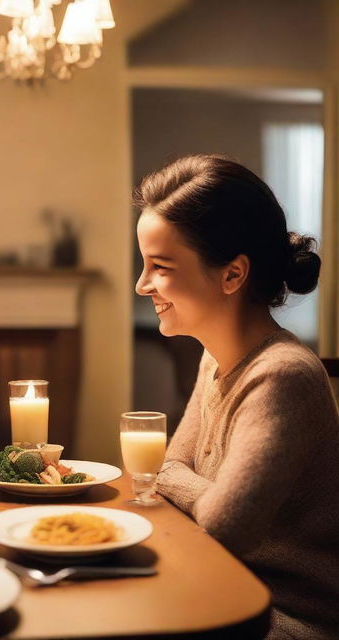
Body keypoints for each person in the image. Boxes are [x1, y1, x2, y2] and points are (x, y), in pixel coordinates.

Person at [133, 154, 339, 640]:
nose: (142, 285)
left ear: (232, 275)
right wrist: (179, 480)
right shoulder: (214, 358)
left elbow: (229, 523)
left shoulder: (283, 376)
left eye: (159, 266)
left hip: (284, 617)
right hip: (220, 585)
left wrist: (180, 481)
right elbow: (164, 470)